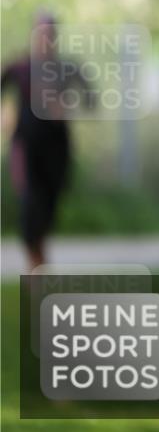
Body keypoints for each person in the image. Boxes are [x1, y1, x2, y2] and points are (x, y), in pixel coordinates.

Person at [1, 13, 81, 270]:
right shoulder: (20, 68)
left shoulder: (66, 69)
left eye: (50, 35)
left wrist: (67, 105)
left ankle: (39, 266)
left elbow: (91, 99)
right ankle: (38, 271)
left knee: (47, 211)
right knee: (30, 208)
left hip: (56, 151)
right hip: (26, 148)